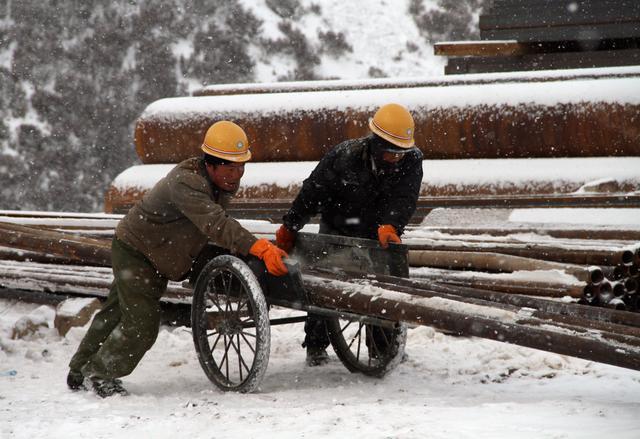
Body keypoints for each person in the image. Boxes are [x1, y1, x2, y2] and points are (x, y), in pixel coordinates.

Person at [67, 121, 288, 397]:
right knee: (141, 325)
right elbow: (215, 224)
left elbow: (211, 225)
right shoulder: (187, 182)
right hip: (138, 252)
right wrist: (258, 247)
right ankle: (100, 374)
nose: (237, 174)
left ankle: (78, 370)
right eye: (230, 167)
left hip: (162, 251)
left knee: (116, 311)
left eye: (242, 166)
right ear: (211, 164)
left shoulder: (218, 183)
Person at [275, 103, 423, 366]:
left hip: (378, 231)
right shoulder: (345, 156)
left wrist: (391, 225)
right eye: (391, 152)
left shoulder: (412, 160)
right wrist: (291, 225)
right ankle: (316, 345)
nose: (396, 158)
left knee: (380, 287)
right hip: (339, 224)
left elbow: (405, 198)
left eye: (401, 152)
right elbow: (313, 192)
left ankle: (382, 346)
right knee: (324, 284)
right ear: (376, 143)